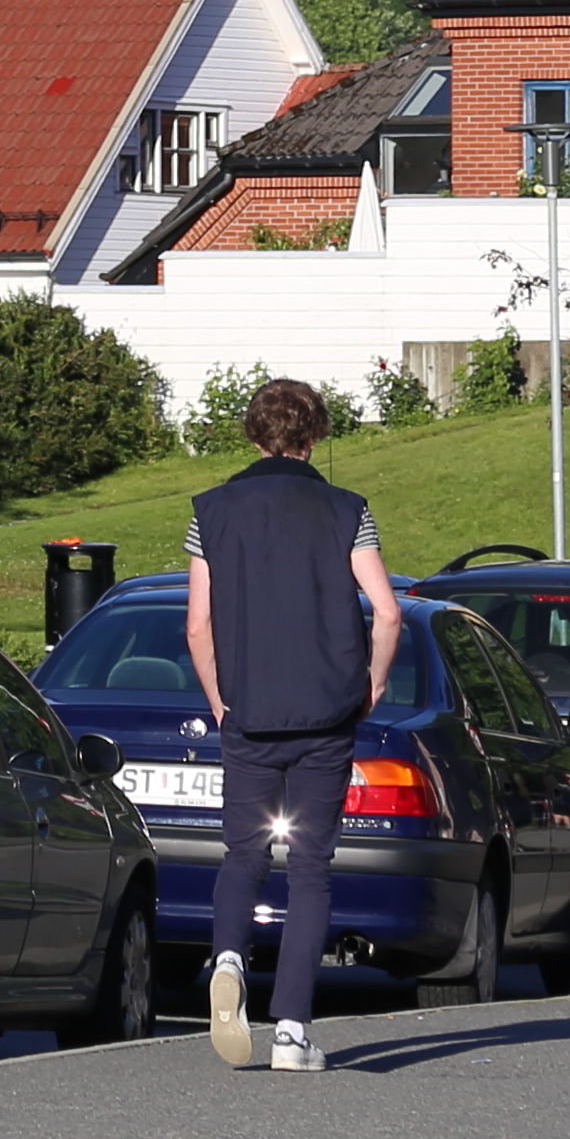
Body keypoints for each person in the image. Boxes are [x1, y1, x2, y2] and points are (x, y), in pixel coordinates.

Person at [178, 374, 404, 1073]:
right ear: (314, 437)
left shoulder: (210, 512)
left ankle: (227, 958)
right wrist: (372, 682)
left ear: (253, 435)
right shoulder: (347, 510)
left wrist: (220, 699)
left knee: (243, 854)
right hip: (326, 712)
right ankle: (293, 1031)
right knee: (309, 867)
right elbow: (389, 611)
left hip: (248, 713)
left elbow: (197, 625)